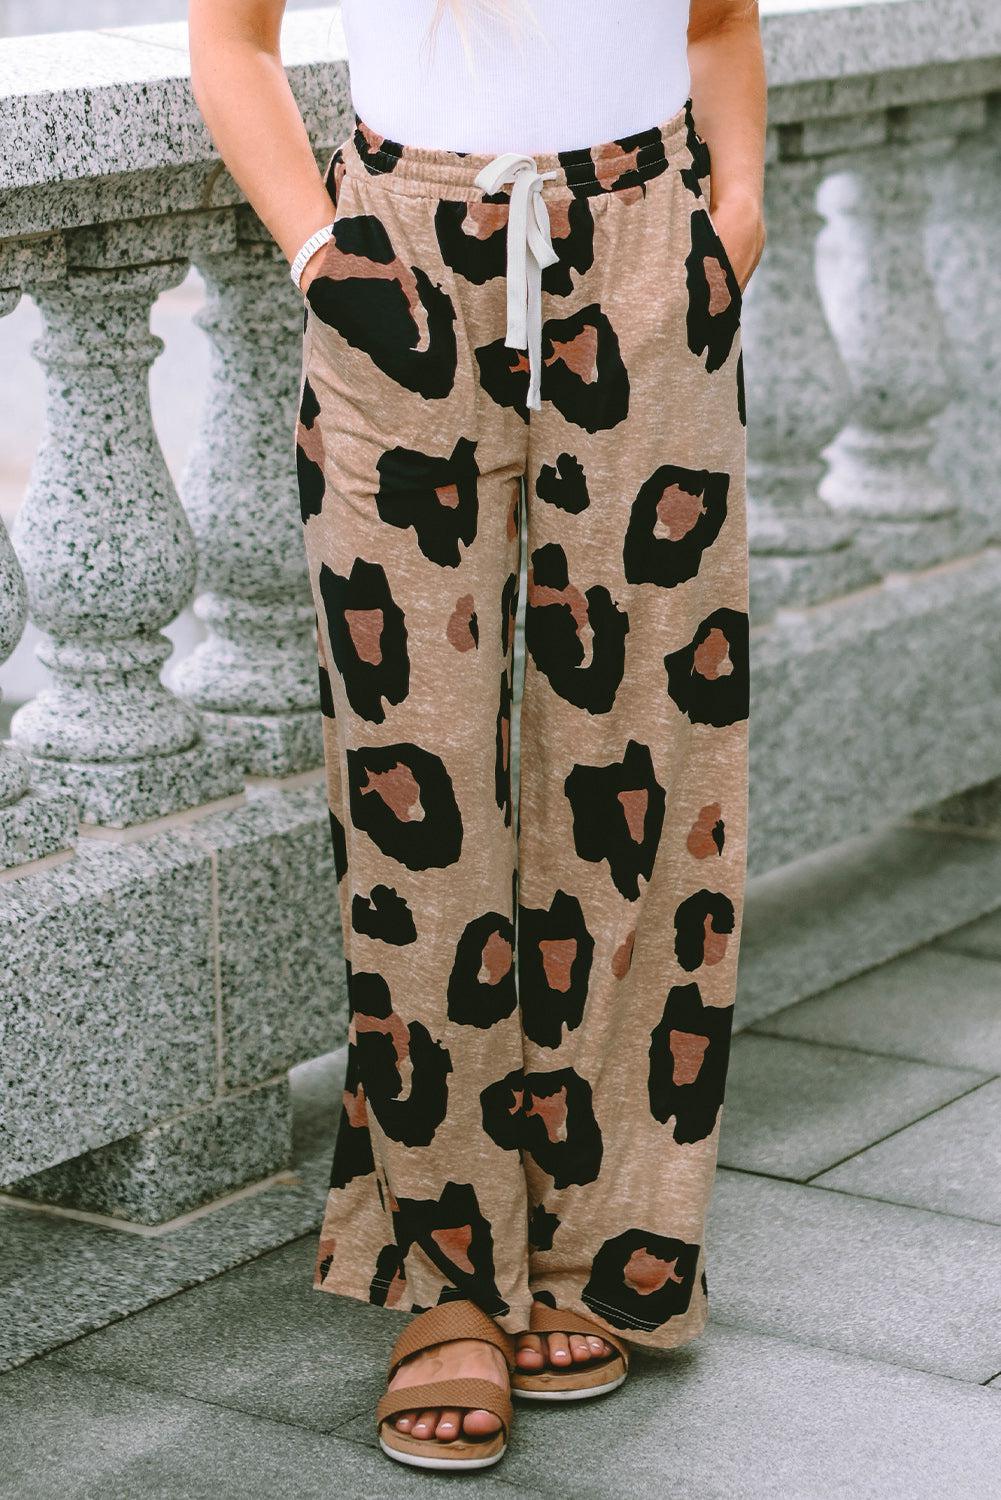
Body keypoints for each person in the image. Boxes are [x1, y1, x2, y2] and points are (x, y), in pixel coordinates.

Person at [190, 0, 766, 1472]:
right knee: (413, 781)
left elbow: (718, 23)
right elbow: (232, 38)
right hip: (405, 261)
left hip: (643, 251)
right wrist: (327, 259)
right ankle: (448, 1274)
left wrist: (731, 216)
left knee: (644, 755)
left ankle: (601, 1235)